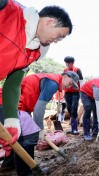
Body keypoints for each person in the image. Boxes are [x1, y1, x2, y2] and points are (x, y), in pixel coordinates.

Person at [0, 0, 73, 154]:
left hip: (13, 106)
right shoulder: (9, 10)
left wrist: (11, 120)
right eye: (59, 36)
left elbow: (13, 84)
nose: (57, 41)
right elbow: (40, 107)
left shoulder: (35, 52)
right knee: (30, 134)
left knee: (21, 134)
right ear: (50, 21)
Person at [0, 71, 79, 175]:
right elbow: (39, 109)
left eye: (73, 85)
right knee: (29, 136)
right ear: (65, 76)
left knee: (16, 136)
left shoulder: (51, 80)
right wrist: (40, 129)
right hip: (9, 106)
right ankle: (27, 172)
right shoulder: (53, 83)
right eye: (71, 82)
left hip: (13, 105)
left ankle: (9, 165)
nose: (70, 86)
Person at [63, 56, 83, 135]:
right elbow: (63, 80)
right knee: (69, 109)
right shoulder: (65, 70)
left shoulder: (77, 70)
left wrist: (81, 91)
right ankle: (72, 128)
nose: (67, 65)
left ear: (72, 63)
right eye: (66, 63)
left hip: (75, 92)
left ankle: (75, 129)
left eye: (68, 63)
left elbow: (81, 81)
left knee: (74, 109)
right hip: (67, 92)